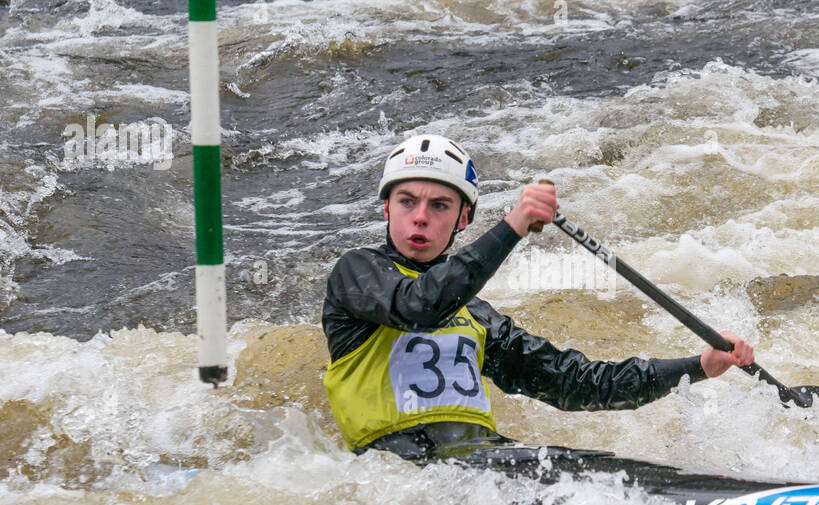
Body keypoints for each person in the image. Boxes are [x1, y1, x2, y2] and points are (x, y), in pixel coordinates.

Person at [321, 133, 756, 476]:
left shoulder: (475, 317)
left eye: (439, 205)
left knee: (603, 471)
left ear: (462, 219)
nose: (420, 216)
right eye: (407, 201)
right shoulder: (357, 275)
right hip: (396, 474)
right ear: (386, 209)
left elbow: (576, 384)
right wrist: (512, 226)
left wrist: (698, 365)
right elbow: (418, 306)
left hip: (483, 462)